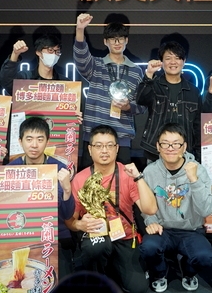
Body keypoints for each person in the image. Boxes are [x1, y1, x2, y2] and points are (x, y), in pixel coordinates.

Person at [66, 125, 157, 293]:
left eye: (109, 145)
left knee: (138, 288)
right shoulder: (80, 179)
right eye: (98, 146)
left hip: (124, 236)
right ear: (90, 149)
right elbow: (70, 220)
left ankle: (113, 268)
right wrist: (79, 225)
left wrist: (138, 177)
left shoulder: (128, 174)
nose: (104, 150)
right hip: (96, 237)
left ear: (117, 148)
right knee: (97, 248)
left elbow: (150, 209)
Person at [140, 123, 212, 292]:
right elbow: (145, 204)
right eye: (165, 144)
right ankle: (159, 273)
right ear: (158, 146)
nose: (170, 148)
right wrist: (151, 221)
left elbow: (206, 211)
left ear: (184, 146)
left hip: (190, 230)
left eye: (176, 144)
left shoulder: (199, 170)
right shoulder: (150, 171)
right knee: (148, 248)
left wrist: (194, 180)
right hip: (162, 229)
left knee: (205, 257)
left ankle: (188, 271)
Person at [8, 117, 76, 278]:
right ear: (20, 141)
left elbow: (67, 214)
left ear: (47, 141)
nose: (34, 145)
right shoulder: (10, 170)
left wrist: (67, 190)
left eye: (40, 139)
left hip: (54, 234)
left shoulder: (59, 169)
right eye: (29, 139)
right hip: (22, 235)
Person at [74, 14, 144, 165]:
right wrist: (80, 29)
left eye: (120, 38)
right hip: (94, 136)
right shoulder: (96, 65)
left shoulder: (136, 71)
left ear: (126, 40)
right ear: (105, 41)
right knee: (90, 179)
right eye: (112, 39)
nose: (117, 42)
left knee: (121, 179)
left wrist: (128, 107)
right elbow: (81, 58)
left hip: (122, 137)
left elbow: (142, 104)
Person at [137, 40, 201, 161]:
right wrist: (149, 74)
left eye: (177, 58)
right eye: (168, 58)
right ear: (161, 61)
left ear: (184, 61)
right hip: (155, 151)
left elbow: (197, 126)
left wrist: (198, 154)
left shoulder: (193, 91)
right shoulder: (153, 85)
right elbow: (140, 99)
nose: (173, 62)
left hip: (184, 152)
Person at [0, 34, 66, 93]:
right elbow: (6, 81)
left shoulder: (65, 82)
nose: (54, 54)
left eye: (57, 51)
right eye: (50, 50)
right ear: (38, 52)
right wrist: (15, 54)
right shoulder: (26, 78)